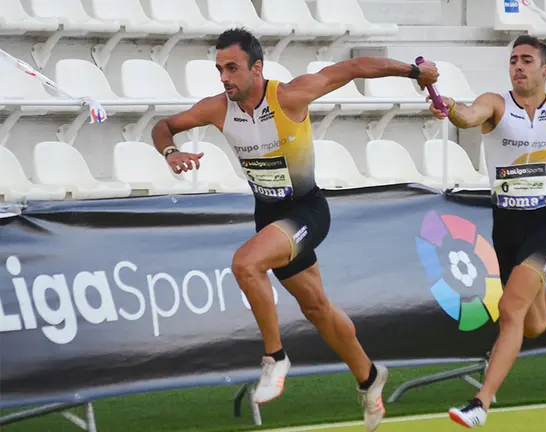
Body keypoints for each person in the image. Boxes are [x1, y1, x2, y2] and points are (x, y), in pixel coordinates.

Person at [149, 27, 439, 431]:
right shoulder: (217, 108)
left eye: (232, 68)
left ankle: (276, 357)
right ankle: (370, 378)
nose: (225, 78)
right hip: (268, 217)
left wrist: (412, 71)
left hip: (306, 211)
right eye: (219, 69)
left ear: (257, 68)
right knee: (317, 308)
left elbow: (352, 67)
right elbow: (163, 127)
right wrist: (171, 151)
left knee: (246, 264)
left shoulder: (289, 96)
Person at [427, 35, 546, 428]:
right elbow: (468, 116)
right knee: (532, 324)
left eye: (527, 60)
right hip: (506, 227)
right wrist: (450, 108)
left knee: (511, 311)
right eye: (513, 59)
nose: (518, 66)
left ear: (545, 70)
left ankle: (481, 402)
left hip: (545, 224)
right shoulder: (496, 104)